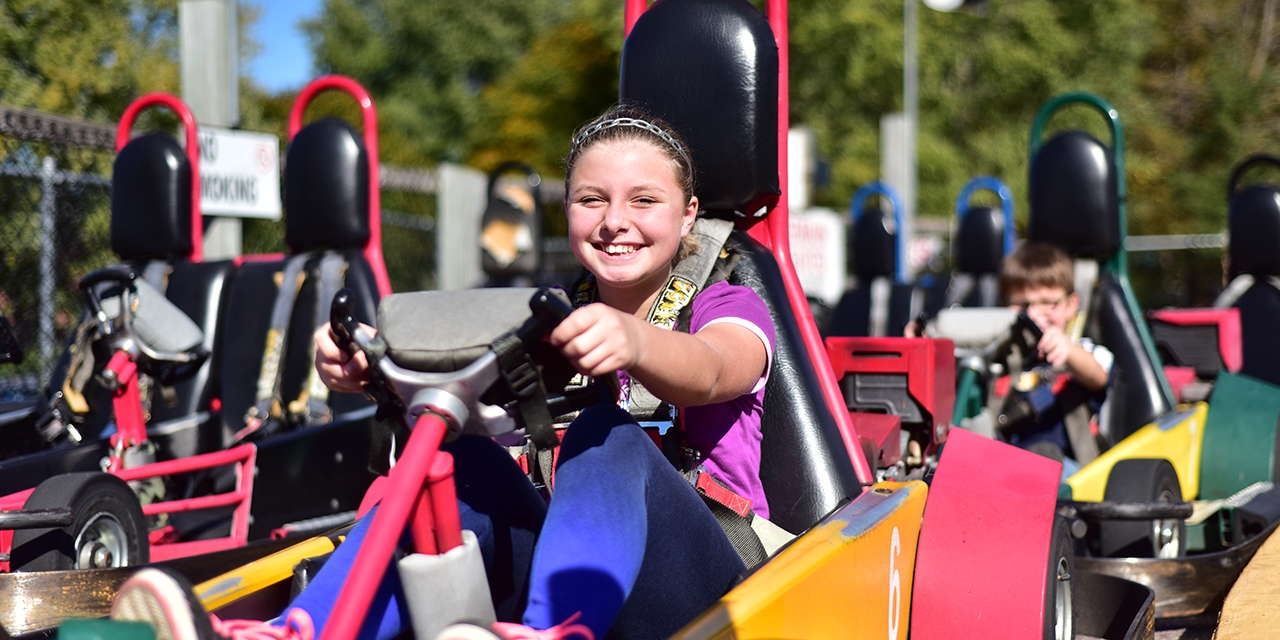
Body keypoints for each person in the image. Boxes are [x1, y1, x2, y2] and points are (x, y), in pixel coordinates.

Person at [109, 106, 776, 640]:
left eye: (644, 201)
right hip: (574, 572)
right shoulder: (540, 313)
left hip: (712, 587)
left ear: (688, 213)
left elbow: (716, 369)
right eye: (591, 200)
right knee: (463, 463)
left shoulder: (729, 302)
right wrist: (364, 366)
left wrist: (634, 340)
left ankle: (555, 630)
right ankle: (298, 630)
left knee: (606, 434)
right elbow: (448, 378)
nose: (614, 223)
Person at [996, 241, 1110, 475]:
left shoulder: (1083, 352)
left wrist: (1067, 351)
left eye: (1048, 303)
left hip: (1067, 470)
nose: (1034, 314)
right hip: (1003, 465)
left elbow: (1098, 376)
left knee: (1042, 455)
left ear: (1071, 305)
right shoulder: (998, 359)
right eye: (1021, 305)